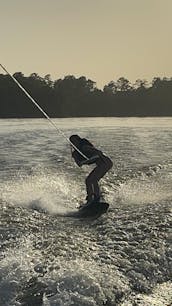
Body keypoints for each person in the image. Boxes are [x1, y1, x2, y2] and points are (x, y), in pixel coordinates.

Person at [69, 134, 113, 204]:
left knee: (91, 180)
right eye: (72, 142)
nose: (74, 143)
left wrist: (86, 161)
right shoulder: (76, 153)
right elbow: (79, 164)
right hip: (102, 164)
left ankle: (94, 198)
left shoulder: (85, 147)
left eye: (75, 141)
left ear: (79, 141)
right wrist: (75, 157)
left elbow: (98, 154)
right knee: (90, 180)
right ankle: (93, 198)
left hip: (105, 162)